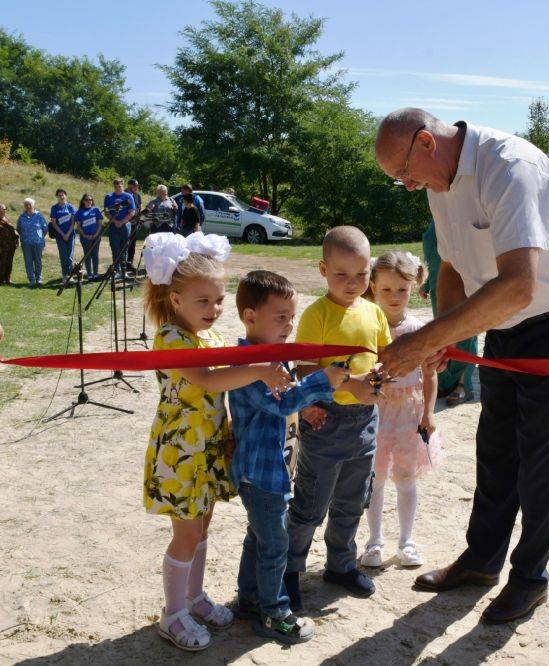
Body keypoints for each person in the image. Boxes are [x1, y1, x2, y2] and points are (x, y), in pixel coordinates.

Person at [375, 108, 549, 624]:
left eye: (405, 174)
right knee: (496, 446)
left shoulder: (511, 165)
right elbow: (452, 266)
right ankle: (481, 560)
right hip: (501, 322)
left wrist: (430, 338)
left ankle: (530, 578)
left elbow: (519, 284)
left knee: (542, 457)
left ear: (426, 142)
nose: (407, 187)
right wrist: (446, 335)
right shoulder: (439, 180)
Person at [141, 231, 292, 652]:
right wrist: (260, 370)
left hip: (208, 446)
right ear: (175, 300)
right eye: (203, 301)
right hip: (181, 450)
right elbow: (207, 380)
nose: (214, 309)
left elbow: (236, 363)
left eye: (219, 300)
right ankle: (172, 615)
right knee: (186, 533)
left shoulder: (213, 338)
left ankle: (194, 597)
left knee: (202, 527)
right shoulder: (171, 337)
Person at [228, 270, 352, 645]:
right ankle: (275, 613)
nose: (289, 324)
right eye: (280, 316)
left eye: (291, 316)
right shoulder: (247, 366)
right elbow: (280, 403)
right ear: (251, 317)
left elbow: (290, 397)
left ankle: (250, 599)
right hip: (260, 475)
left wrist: (319, 395)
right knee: (276, 544)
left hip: (275, 471)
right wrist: (322, 381)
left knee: (260, 538)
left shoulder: (272, 358)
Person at [284, 225, 388, 612]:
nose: (353, 283)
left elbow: (383, 357)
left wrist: (380, 379)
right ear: (323, 270)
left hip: (365, 423)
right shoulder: (316, 315)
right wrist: (349, 386)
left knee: (352, 500)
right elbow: (307, 370)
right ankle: (289, 570)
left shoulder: (374, 311)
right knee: (310, 503)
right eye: (342, 275)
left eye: (361, 275)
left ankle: (340, 565)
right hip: (326, 422)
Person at [360, 250, 444, 570]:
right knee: (376, 478)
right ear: (372, 287)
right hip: (376, 412)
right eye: (386, 290)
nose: (394, 297)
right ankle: (374, 541)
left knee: (406, 477)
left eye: (402, 290)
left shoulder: (419, 329)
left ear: (413, 287)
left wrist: (429, 414)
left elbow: (430, 373)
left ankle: (406, 541)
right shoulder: (366, 326)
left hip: (409, 413)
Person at [422, 220, 478, 405]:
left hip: (463, 285)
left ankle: (463, 385)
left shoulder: (464, 210)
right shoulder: (437, 213)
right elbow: (438, 255)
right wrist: (429, 282)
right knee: (443, 335)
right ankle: (447, 382)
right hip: (440, 286)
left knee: (466, 335)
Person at [104, 178, 135, 278]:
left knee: (124, 249)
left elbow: (132, 212)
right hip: (113, 226)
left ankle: (124, 271)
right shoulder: (109, 197)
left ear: (123, 185)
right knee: (115, 249)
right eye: (116, 186)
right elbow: (106, 212)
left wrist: (122, 221)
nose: (118, 188)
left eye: (120, 186)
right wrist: (115, 221)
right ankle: (116, 271)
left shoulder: (128, 196)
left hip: (125, 225)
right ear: (114, 186)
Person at [17, 198, 46, 288]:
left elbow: (45, 229)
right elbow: (18, 229)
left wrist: (39, 238)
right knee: (28, 261)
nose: (28, 206)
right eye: (26, 205)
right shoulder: (21, 217)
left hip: (38, 243)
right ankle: (32, 280)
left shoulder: (39, 216)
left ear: (33, 205)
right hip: (26, 243)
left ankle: (39, 279)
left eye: (30, 204)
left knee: (38, 261)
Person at [74, 194, 104, 281]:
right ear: (83, 201)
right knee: (87, 255)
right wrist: (84, 235)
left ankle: (95, 274)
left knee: (95, 255)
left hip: (96, 237)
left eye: (90, 199)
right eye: (87, 199)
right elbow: (78, 226)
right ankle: (90, 275)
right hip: (85, 238)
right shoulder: (79, 212)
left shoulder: (96, 210)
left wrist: (96, 234)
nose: (89, 201)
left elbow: (100, 223)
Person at [50, 188, 76, 281]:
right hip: (60, 236)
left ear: (66, 196)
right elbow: (54, 223)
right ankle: (64, 275)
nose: (61, 196)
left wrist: (68, 234)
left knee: (70, 256)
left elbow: (73, 222)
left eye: (62, 195)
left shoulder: (71, 207)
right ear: (57, 197)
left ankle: (70, 275)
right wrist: (62, 234)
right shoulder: (54, 208)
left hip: (71, 235)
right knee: (63, 256)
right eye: (59, 195)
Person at [0, 203, 19, 286]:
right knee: (2, 263)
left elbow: (13, 230)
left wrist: (16, 240)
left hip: (11, 245)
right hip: (2, 246)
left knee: (10, 262)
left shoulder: (7, 219)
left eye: (4, 209)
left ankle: (8, 279)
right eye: (1, 209)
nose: (3, 210)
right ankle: (1, 280)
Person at [125, 178, 143, 271]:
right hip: (125, 223)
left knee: (132, 244)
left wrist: (138, 220)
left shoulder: (137, 196)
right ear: (129, 185)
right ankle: (122, 264)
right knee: (124, 244)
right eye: (135, 185)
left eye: (137, 186)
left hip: (135, 223)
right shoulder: (123, 195)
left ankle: (129, 263)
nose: (136, 187)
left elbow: (139, 208)